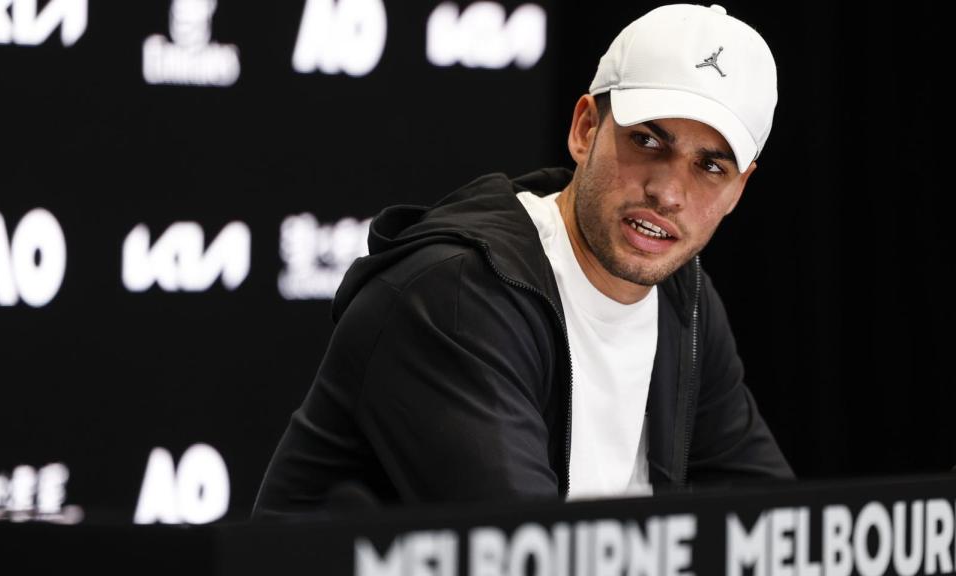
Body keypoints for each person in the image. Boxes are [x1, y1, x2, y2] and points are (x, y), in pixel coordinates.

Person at [253, 3, 793, 517]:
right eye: (648, 141)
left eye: (711, 167)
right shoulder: (457, 297)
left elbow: (770, 530)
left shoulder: (684, 295)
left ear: (739, 190)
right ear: (586, 129)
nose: (669, 192)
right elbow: (526, 552)